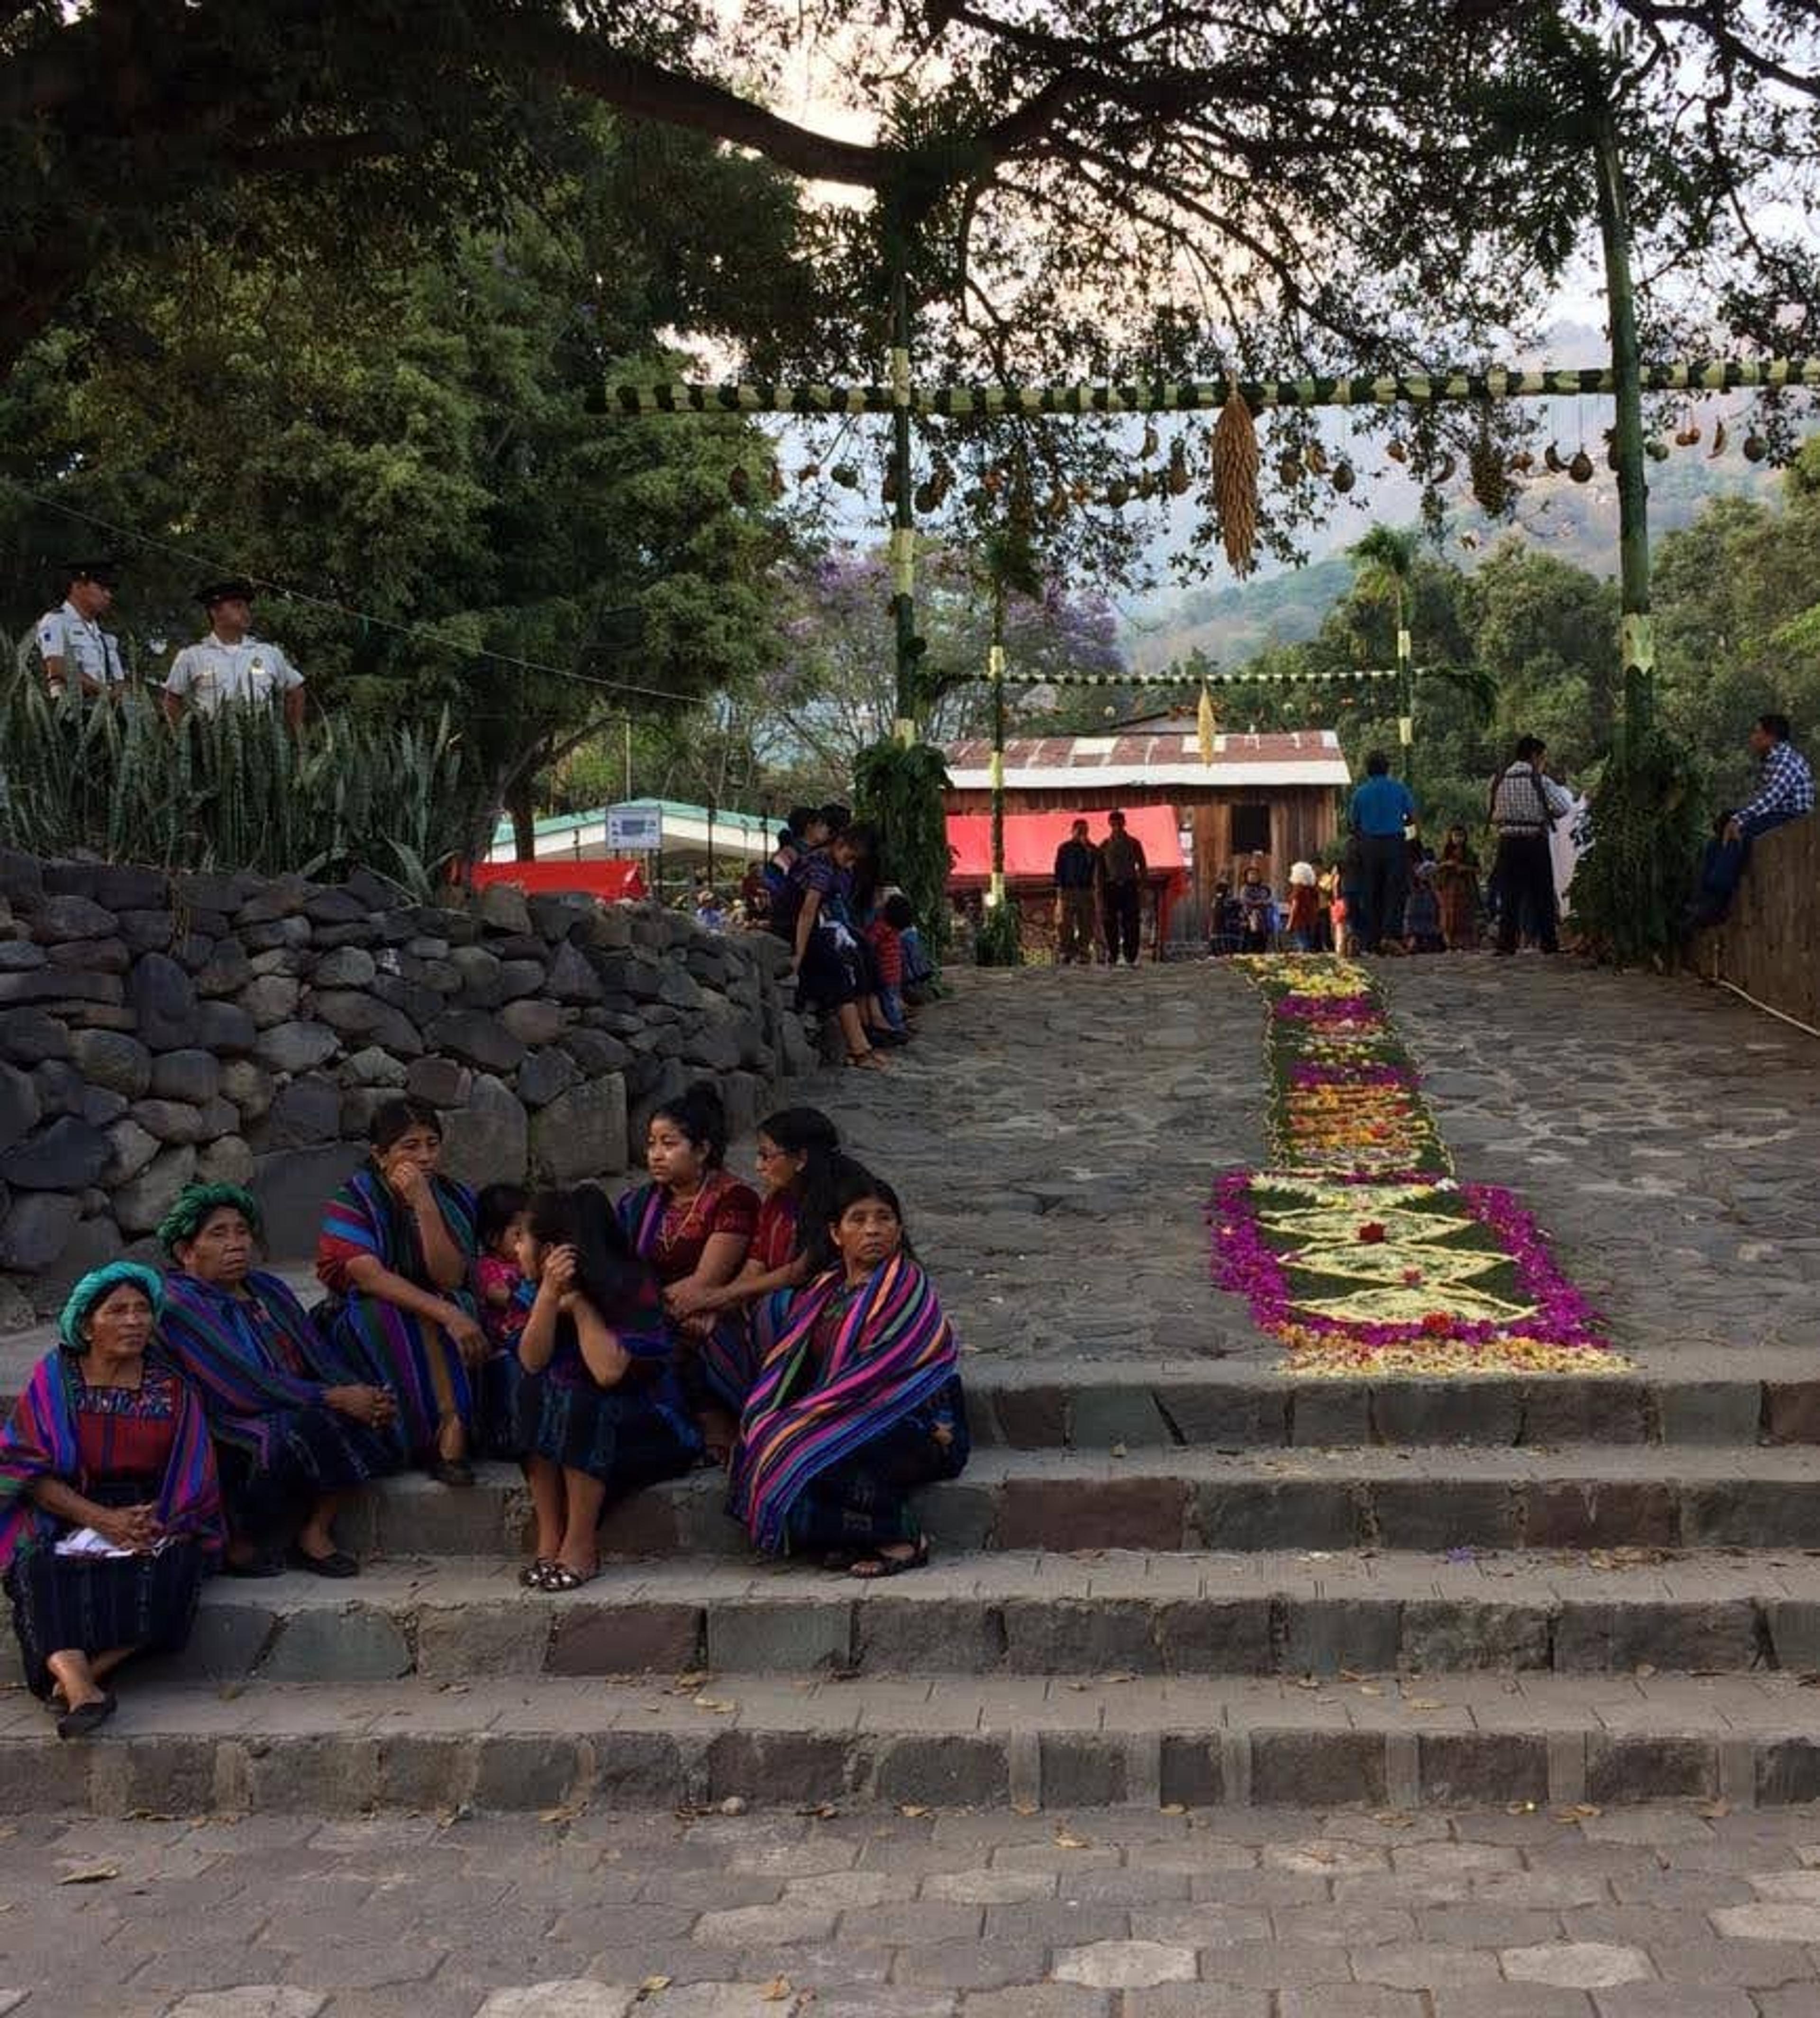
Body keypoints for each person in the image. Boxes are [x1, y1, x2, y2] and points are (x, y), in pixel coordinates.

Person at [0, 1264, 222, 1739]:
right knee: (35, 1568)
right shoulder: (56, 1380)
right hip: (64, 1508)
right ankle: (84, 1689)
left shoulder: (171, 1388)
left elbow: (193, 1473)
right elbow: (24, 1470)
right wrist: (99, 1518)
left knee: (179, 1566)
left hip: (149, 1512)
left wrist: (156, 1522)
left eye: (142, 1310)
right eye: (117, 1311)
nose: (134, 1321)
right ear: (86, 1324)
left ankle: (76, 1683)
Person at [728, 1158, 969, 1578]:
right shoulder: (824, 1290)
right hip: (838, 1414)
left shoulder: (907, 1286)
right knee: (765, 1447)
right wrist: (773, 1414)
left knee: (824, 1451)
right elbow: (788, 1362)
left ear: (898, 1230)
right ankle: (850, 1537)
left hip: (921, 1424)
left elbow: (879, 1372)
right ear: (836, 1234)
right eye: (859, 1219)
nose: (874, 1229)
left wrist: (804, 1421)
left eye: (884, 1219)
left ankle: (902, 1536)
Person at [156, 1182, 399, 1579]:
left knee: (371, 1412)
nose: (236, 1244)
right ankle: (243, 1541)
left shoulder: (267, 1288)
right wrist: (334, 1397)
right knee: (303, 1429)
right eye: (218, 1234)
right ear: (187, 1252)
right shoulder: (180, 1303)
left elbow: (316, 1353)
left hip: (294, 1397)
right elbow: (242, 1384)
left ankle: (314, 1529)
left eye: (241, 1231)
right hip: (227, 1416)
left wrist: (363, 1393)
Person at [514, 1187, 701, 1592]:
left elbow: (608, 1372)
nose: (515, 1248)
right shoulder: (536, 1288)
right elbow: (531, 1360)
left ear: (550, 1249)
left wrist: (580, 1305)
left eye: (521, 1238)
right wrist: (548, 1296)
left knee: (582, 1399)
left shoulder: (632, 1286)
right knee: (531, 1391)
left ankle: (581, 1546)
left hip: (653, 1425)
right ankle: (550, 1539)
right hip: (576, 1424)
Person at [316, 1097, 489, 1487]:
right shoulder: (352, 1201)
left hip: (440, 1302)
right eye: (410, 1146)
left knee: (454, 1303)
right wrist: (448, 1314)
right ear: (381, 1155)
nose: (425, 1156)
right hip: (367, 1310)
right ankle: (425, 1436)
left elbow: (448, 1277)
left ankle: (455, 1428)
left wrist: (425, 1205)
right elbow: (371, 1278)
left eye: (432, 1144)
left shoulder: (456, 1198)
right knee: (392, 1314)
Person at [664, 1106, 842, 1409]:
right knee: (713, 1327)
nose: (758, 1166)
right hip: (769, 1304)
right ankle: (748, 1409)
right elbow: (755, 1267)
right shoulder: (775, 1202)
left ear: (800, 1160)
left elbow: (799, 1272)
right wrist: (717, 1302)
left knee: (776, 1308)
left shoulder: (832, 1201)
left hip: (821, 1307)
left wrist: (712, 1297)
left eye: (766, 1156)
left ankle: (783, 1406)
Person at [619, 1082, 760, 1458]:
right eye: (651, 1144)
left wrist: (636, 1307)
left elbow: (704, 1283)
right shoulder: (641, 1202)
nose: (656, 1155)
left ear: (702, 1150)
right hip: (658, 1309)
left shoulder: (733, 1200)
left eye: (669, 1144)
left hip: (715, 1311)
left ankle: (713, 1426)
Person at [779, 815, 888, 1068]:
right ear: (840, 843)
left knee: (855, 961)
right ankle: (859, 1048)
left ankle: (865, 1041)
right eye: (850, 857)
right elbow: (807, 912)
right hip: (792, 926)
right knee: (837, 971)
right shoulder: (820, 865)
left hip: (812, 926)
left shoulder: (834, 866)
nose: (851, 864)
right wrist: (798, 954)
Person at [1691, 713, 1816, 927]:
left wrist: (1739, 820)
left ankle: (1717, 899)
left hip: (1792, 816)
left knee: (1738, 833)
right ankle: (1703, 897)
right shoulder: (1773, 760)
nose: (1753, 738)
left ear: (1771, 737)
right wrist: (1733, 817)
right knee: (1720, 834)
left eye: (1757, 732)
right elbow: (1762, 799)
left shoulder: (1786, 761)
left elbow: (1771, 798)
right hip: (1777, 812)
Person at [163, 579, 305, 730]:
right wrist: (184, 741)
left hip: (262, 746)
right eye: (237, 606)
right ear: (215, 611)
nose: (246, 613)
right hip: (212, 747)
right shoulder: (192, 656)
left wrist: (293, 733)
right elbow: (172, 700)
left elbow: (296, 691)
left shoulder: (269, 654)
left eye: (246, 607)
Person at [1488, 735, 1571, 956]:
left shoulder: (1499, 781)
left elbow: (1495, 815)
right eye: (1543, 758)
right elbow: (1563, 807)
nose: (1544, 763)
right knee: (1542, 893)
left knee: (1510, 895)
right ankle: (1548, 943)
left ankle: (1506, 944)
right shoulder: (1541, 781)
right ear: (1534, 756)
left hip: (1508, 843)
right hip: (1535, 841)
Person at [1347, 752, 1416, 955]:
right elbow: (1412, 818)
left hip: (1369, 846)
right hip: (1395, 842)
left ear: (1368, 770)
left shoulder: (1361, 793)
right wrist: (1404, 832)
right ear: (1388, 768)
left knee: (1371, 892)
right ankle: (1391, 936)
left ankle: (1372, 941)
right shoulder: (1399, 789)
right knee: (1395, 891)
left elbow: (1354, 824)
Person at [35, 560, 128, 700]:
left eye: (110, 591)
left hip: (102, 713)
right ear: (78, 587)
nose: (109, 596)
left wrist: (116, 692)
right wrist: (105, 691)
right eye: (102, 589)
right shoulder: (56, 621)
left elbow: (119, 680)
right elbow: (58, 669)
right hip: (69, 711)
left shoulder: (102, 635)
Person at [1099, 810, 1148, 967]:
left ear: (1124, 824)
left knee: (1132, 922)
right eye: (1114, 824)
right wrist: (1099, 891)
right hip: (1111, 887)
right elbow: (1099, 871)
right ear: (1110, 825)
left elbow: (1143, 866)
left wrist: (1142, 886)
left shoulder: (1134, 843)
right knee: (1110, 922)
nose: (1117, 827)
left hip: (1129, 885)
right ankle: (1113, 954)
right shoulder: (1105, 845)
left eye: (1119, 823)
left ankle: (1131, 955)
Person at [1052, 818, 1100, 965]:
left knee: (1086, 923)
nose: (1082, 833)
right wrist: (1059, 896)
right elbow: (1058, 872)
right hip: (1068, 891)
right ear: (1072, 831)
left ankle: (1083, 952)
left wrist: (1088, 850)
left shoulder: (1093, 849)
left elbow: (1097, 871)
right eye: (1079, 830)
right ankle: (1067, 952)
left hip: (1086, 891)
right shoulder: (1064, 848)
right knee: (1065, 925)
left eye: (1085, 830)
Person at [1435, 825, 1481, 949]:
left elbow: (1478, 870)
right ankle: (1449, 944)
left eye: (1461, 836)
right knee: (1449, 917)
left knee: (1465, 916)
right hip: (1448, 889)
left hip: (1465, 888)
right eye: (1456, 836)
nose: (1458, 839)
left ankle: (1465, 944)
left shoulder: (1470, 853)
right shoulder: (1445, 852)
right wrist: (1447, 864)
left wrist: (1465, 868)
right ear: (1451, 837)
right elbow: (1436, 867)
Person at [1403, 858, 1444, 952]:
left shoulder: (1428, 890)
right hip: (1420, 915)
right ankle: (1415, 944)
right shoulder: (1416, 892)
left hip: (1426, 917)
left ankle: (1417, 944)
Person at [1238, 856, 1276, 953]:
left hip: (1264, 919)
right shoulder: (1245, 889)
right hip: (1250, 919)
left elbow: (1270, 900)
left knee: (1262, 942)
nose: (1253, 877)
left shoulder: (1265, 888)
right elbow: (1246, 901)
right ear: (1247, 877)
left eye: (1255, 875)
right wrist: (1262, 902)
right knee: (1250, 942)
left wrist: (1263, 903)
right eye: (1251, 875)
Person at [1286, 861, 1319, 952]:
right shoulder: (1312, 889)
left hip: (1299, 920)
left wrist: (1290, 923)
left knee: (1302, 943)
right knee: (1309, 941)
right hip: (1311, 919)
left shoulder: (1298, 890)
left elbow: (1295, 907)